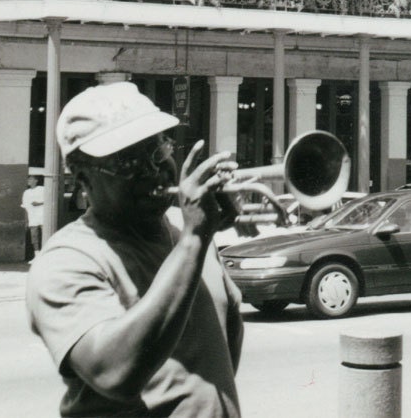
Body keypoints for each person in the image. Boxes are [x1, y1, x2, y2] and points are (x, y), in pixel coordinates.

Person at [26, 81, 244, 418]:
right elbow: (114, 373)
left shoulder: (188, 231)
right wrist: (194, 239)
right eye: (127, 162)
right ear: (82, 179)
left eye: (158, 151)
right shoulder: (66, 260)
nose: (154, 172)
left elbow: (224, 343)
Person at [21, 175, 45, 261]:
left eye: (31, 179)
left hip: (43, 215)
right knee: (34, 236)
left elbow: (49, 200)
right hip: (32, 216)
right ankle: (37, 256)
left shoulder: (42, 189)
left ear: (36, 180)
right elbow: (25, 206)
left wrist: (39, 203)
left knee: (44, 235)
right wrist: (26, 220)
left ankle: (45, 255)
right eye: (28, 179)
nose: (29, 180)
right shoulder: (26, 192)